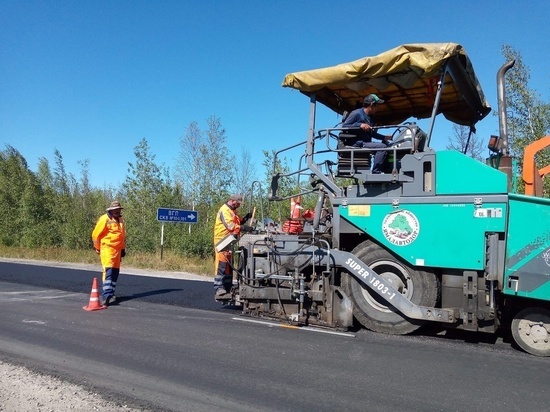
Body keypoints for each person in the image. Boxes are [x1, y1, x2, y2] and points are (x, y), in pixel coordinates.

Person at [213, 194, 251, 300]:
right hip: (222, 240)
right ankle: (219, 288)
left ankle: (228, 287)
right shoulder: (224, 210)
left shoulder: (232, 211)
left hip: (229, 240)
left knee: (228, 266)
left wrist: (246, 218)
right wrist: (243, 227)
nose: (239, 205)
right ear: (233, 201)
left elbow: (237, 221)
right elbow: (230, 226)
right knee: (221, 264)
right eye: (238, 203)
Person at [341, 94, 392, 174]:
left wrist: (384, 138)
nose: (377, 108)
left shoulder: (370, 118)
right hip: (357, 143)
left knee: (386, 145)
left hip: (365, 143)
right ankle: (376, 172)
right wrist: (360, 125)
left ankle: (385, 170)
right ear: (372, 105)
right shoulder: (356, 113)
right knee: (382, 147)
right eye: (377, 105)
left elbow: (371, 133)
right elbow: (344, 126)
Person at [92, 201, 126, 306]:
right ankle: (106, 296)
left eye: (119, 210)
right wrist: (98, 248)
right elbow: (95, 235)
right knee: (109, 271)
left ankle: (111, 293)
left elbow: (122, 235)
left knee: (115, 272)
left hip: (117, 250)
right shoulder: (104, 219)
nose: (118, 211)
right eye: (116, 210)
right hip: (107, 249)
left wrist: (123, 249)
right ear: (110, 210)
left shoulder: (120, 219)